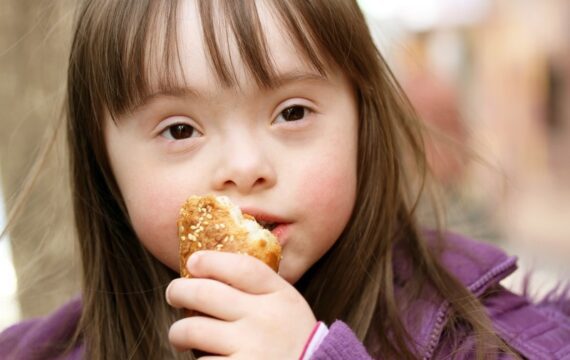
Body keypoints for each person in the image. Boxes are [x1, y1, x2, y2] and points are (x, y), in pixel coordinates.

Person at [1, 0, 568, 359]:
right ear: (105, 166)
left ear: (361, 124)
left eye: (292, 113)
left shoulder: (481, 336)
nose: (246, 167)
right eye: (179, 129)